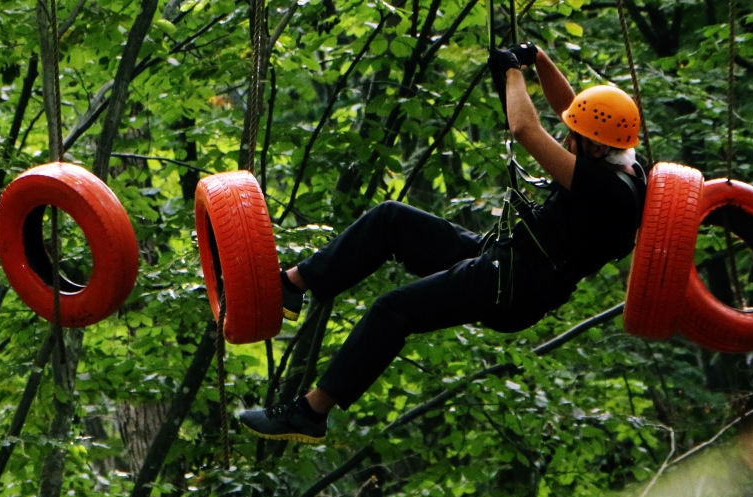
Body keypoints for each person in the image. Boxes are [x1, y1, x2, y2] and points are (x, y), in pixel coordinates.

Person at [238, 44, 647, 444]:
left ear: (594, 145)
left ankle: (311, 413)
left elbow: (525, 130)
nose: (566, 135)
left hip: (514, 287)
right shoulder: (621, 161)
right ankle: (290, 287)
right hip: (505, 257)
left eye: (574, 136)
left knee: (393, 310)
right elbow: (571, 110)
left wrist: (512, 73)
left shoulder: (605, 191)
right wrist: (536, 58)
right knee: (391, 219)